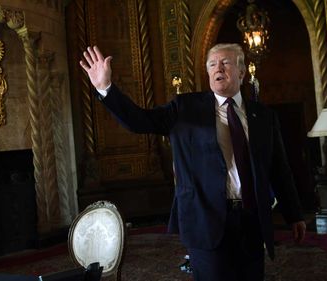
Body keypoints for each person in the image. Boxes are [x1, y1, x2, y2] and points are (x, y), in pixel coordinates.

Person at [80, 43, 306, 281]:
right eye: (212, 64)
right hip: (205, 220)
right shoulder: (184, 108)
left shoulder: (264, 116)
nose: (218, 68)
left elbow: (279, 169)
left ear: (241, 72)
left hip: (252, 220)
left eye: (226, 62)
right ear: (208, 73)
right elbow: (139, 120)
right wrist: (106, 88)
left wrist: (294, 214)